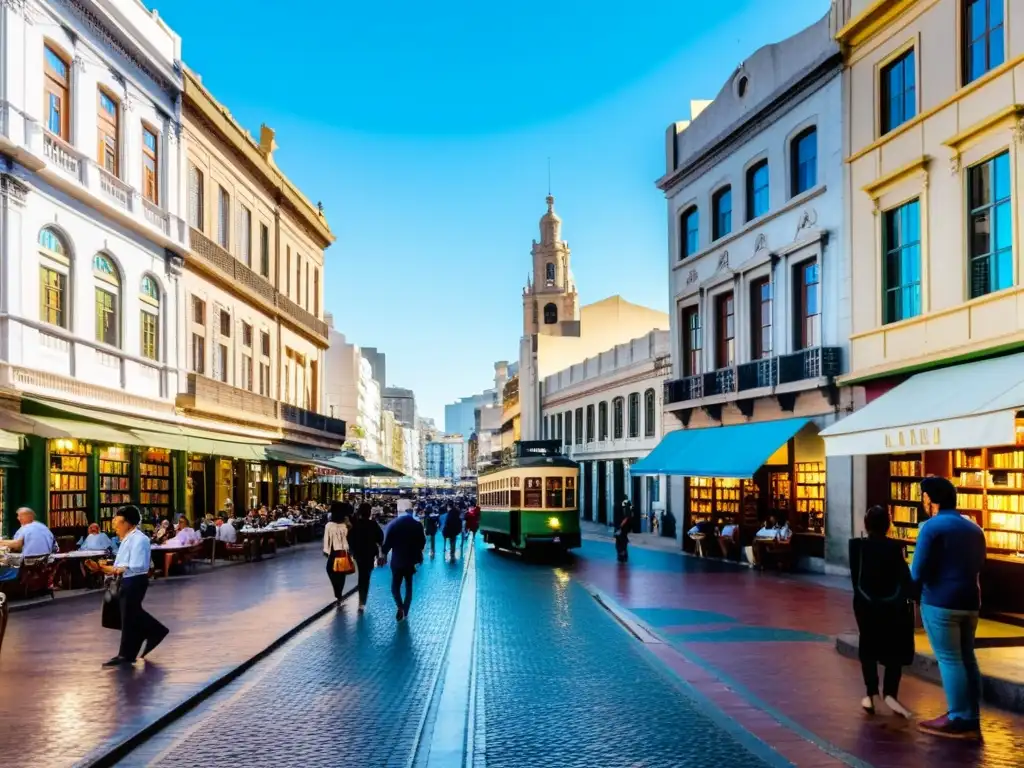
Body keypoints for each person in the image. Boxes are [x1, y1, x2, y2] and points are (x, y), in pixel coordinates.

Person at [913, 476, 986, 739]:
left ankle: (958, 717)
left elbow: (917, 569)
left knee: (949, 659)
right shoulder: (973, 528)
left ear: (932, 499)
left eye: (924, 496)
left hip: (940, 600)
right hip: (970, 600)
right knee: (968, 657)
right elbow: (981, 562)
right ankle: (972, 714)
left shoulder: (933, 527)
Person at [849, 505, 915, 719]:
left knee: (868, 648)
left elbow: (856, 581)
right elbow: (903, 578)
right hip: (893, 608)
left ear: (866, 525)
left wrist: (869, 600)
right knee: (894, 652)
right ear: (888, 525)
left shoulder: (858, 548)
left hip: (867, 607)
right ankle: (890, 694)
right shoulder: (895, 548)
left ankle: (871, 693)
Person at [101, 505, 168, 667]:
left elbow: (136, 565)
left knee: (130, 616)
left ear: (127, 523)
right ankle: (132, 648)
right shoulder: (126, 539)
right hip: (125, 580)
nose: (115, 527)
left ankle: (133, 649)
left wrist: (112, 569)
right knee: (128, 617)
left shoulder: (140, 539)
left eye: (117, 523)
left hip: (134, 580)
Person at [382, 501, 426, 622]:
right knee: (408, 586)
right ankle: (406, 611)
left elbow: (386, 545)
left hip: (397, 561)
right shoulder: (417, 525)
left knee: (394, 587)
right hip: (410, 561)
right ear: (411, 511)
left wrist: (383, 554)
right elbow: (422, 542)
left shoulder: (394, 524)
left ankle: (399, 606)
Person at [348, 503, 384, 612]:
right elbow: (380, 538)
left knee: (362, 575)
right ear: (369, 513)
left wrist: (352, 551)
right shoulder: (373, 524)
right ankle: (363, 601)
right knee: (366, 576)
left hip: (359, 554)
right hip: (370, 554)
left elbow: (350, 539)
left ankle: (361, 601)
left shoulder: (355, 525)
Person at [323, 502, 352, 605]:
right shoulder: (346, 524)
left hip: (334, 552)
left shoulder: (329, 525)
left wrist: (326, 551)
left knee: (330, 570)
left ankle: (338, 593)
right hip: (343, 551)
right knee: (341, 573)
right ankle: (339, 594)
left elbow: (327, 539)